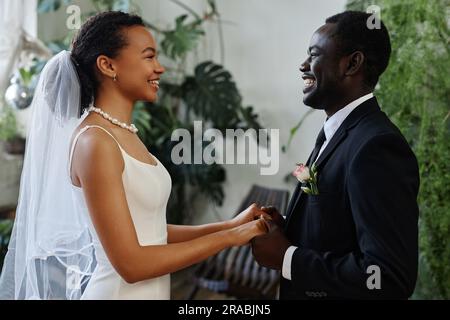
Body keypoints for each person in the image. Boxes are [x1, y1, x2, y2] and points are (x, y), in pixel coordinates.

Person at [0, 11, 268, 300]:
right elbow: (131, 265)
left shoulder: (123, 133)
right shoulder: (95, 142)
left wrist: (229, 225)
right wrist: (228, 239)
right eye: (149, 56)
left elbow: (148, 229)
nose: (160, 68)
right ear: (108, 65)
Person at [252, 11, 420, 299]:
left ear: (352, 64)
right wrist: (289, 227)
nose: (303, 65)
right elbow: (339, 228)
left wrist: (287, 258)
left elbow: (387, 277)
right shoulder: (339, 132)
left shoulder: (376, 146)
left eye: (314, 55)